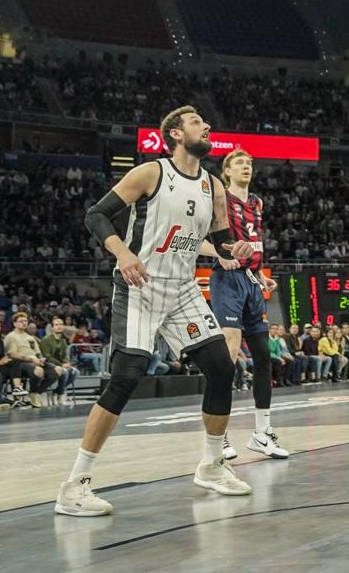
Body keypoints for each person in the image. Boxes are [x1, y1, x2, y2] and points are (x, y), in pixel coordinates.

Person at [55, 105, 255, 516]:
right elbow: (96, 215)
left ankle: (212, 465)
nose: (208, 126)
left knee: (221, 365)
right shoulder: (150, 173)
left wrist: (235, 248)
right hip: (140, 284)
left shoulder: (213, 186)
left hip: (182, 290)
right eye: (198, 122)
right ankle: (74, 486)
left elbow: (219, 242)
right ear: (177, 134)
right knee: (127, 376)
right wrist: (123, 251)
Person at [207, 148, 286, 458]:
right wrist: (221, 256)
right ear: (227, 171)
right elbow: (203, 236)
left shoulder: (257, 202)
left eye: (250, 163)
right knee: (228, 356)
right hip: (227, 280)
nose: (246, 166)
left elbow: (254, 243)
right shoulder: (218, 198)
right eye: (239, 163)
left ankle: (262, 433)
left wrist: (261, 273)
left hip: (252, 281)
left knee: (264, 357)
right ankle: (219, 435)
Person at [5, 312, 57, 406]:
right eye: (21, 321)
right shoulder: (11, 336)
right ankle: (33, 393)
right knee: (39, 371)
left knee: (58, 370)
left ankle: (35, 393)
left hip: (35, 361)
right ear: (15, 323)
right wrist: (30, 359)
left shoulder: (30, 337)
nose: (24, 323)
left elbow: (38, 352)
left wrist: (41, 359)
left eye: (25, 321)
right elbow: (12, 354)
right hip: (20, 364)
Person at [39, 316, 78, 406]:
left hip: (60, 365)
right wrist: (61, 364)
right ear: (52, 327)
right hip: (48, 364)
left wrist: (66, 362)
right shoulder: (46, 340)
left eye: (61, 324)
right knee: (64, 372)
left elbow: (65, 355)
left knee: (75, 372)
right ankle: (60, 394)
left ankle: (57, 391)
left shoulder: (63, 340)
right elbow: (47, 356)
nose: (59, 326)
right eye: (56, 325)